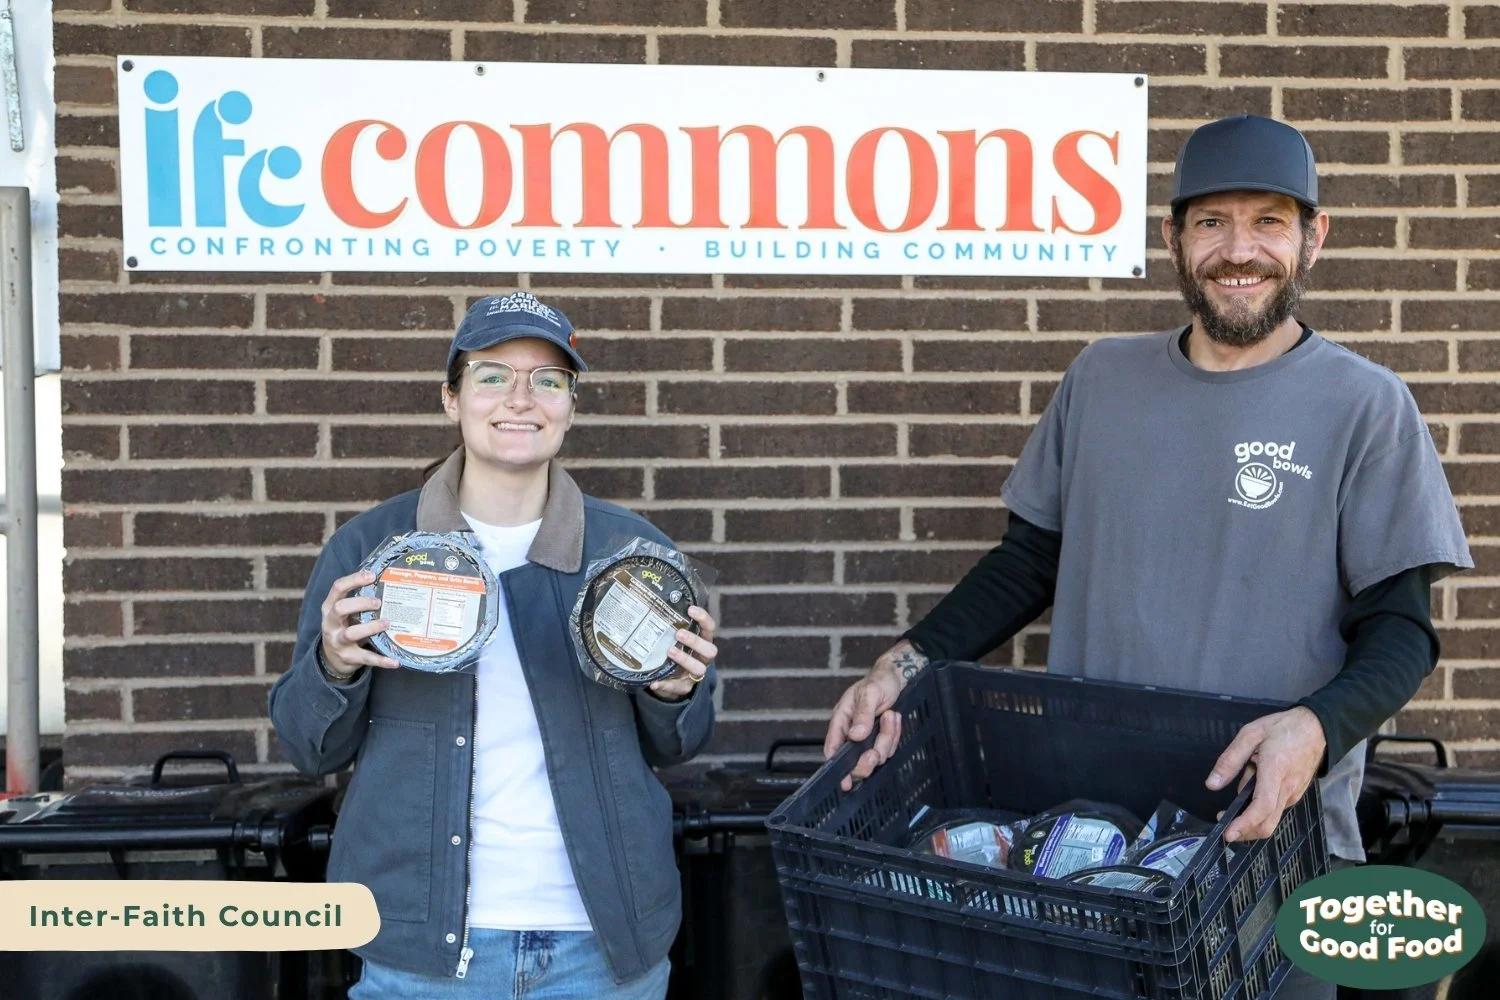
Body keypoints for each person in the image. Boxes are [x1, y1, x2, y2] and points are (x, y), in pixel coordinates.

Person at [822, 115, 1473, 1000]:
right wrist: (902, 667)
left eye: (1269, 222)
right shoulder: (1100, 381)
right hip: (1091, 848)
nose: (1238, 251)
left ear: (1313, 238)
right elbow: (1027, 564)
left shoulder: (1368, 407)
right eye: (1210, 222)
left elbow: (1402, 631)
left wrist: (1315, 727)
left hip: (1266, 853)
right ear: (1172, 238)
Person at [269, 291, 718, 999]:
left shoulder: (635, 557)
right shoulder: (370, 550)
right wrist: (335, 664)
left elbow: (678, 745)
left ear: (569, 404)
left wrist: (678, 692)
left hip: (599, 948)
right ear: (452, 399)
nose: (521, 397)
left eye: (547, 379)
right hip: (418, 950)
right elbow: (309, 748)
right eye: (491, 375)